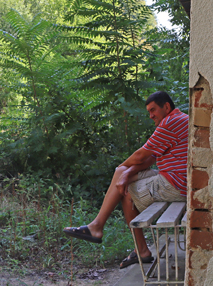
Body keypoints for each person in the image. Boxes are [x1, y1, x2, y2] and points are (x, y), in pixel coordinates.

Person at [63, 91, 188, 268]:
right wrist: (125, 172)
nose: (151, 115)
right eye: (149, 112)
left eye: (153, 110)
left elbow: (139, 156)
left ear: (166, 107)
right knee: (122, 174)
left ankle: (133, 246)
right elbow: (151, 158)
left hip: (175, 185)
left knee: (126, 191)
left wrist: (123, 171)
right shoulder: (179, 119)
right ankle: (103, 229)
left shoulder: (170, 122)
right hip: (174, 179)